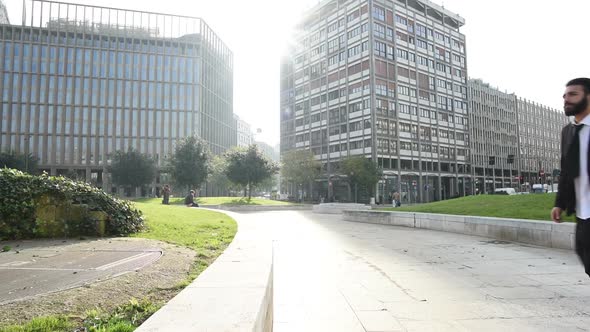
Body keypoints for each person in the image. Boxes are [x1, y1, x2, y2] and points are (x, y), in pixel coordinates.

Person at [552, 77, 590, 277]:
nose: (566, 99)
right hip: (582, 212)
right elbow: (566, 171)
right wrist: (559, 203)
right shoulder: (568, 132)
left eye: (573, 94)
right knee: (583, 255)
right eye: (565, 96)